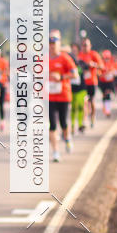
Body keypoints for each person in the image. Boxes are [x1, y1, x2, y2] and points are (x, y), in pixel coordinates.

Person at [48, 31, 78, 161]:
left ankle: (67, 138)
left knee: (63, 122)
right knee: (52, 125)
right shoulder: (44, 59)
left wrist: (61, 77)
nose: (52, 46)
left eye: (54, 43)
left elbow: (75, 74)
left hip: (64, 95)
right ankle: (55, 152)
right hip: (50, 97)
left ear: (59, 44)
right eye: (50, 43)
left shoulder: (65, 58)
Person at [78, 38, 103, 128]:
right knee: (84, 101)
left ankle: (92, 118)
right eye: (83, 45)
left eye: (86, 45)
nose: (85, 47)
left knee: (91, 101)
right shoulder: (79, 55)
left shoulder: (94, 54)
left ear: (90, 46)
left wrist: (94, 64)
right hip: (82, 83)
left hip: (92, 82)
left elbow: (101, 66)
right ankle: (84, 120)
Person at [70, 43, 88, 134]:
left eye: (75, 50)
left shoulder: (81, 62)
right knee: (73, 108)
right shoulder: (68, 62)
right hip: (72, 88)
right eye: (72, 50)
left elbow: (87, 67)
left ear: (78, 51)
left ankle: (80, 125)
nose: (74, 51)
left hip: (81, 88)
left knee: (81, 107)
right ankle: (72, 126)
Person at [98, 50, 117, 117]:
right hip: (102, 82)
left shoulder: (112, 63)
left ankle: (108, 111)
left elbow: (115, 72)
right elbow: (99, 74)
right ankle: (105, 107)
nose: (107, 59)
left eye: (108, 58)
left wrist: (113, 72)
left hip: (109, 82)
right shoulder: (101, 64)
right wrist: (105, 74)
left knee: (108, 95)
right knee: (104, 96)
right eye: (105, 58)